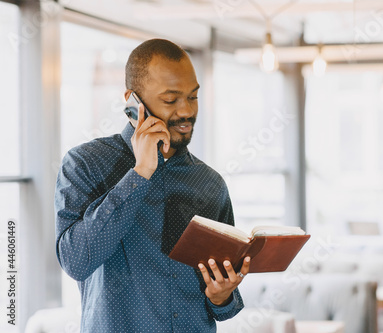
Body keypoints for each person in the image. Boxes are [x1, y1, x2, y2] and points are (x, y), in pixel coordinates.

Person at [54, 38, 250, 332]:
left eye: (193, 97)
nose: (186, 111)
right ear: (133, 102)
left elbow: (223, 303)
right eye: (171, 100)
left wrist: (222, 296)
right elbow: (77, 261)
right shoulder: (85, 164)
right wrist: (140, 173)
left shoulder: (210, 184)